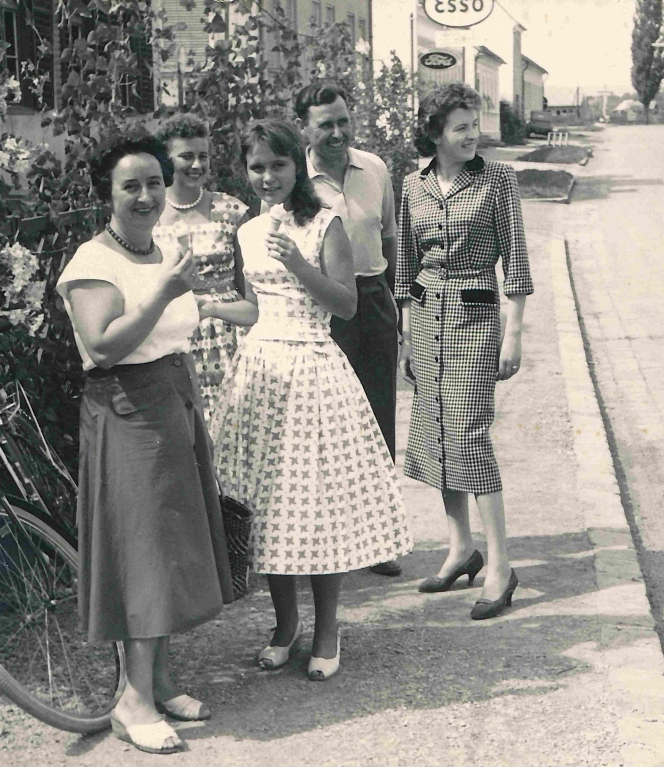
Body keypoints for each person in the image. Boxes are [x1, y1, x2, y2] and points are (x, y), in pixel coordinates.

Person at [207, 119, 412, 680]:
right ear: (245, 171)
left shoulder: (325, 223)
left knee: (316, 510)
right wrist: (209, 308)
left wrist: (299, 264)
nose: (268, 176)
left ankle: (326, 630)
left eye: (278, 165)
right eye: (257, 166)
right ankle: (283, 625)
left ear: (297, 165)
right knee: (268, 508)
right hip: (262, 372)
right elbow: (255, 308)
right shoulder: (248, 232)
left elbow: (345, 305)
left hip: (314, 370)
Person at [55, 133, 237, 754]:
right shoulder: (92, 263)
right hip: (127, 413)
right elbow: (103, 344)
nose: (145, 195)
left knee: (173, 546)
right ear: (105, 193)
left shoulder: (160, 252)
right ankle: (131, 703)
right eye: (130, 185)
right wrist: (166, 291)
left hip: (172, 404)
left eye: (154, 183)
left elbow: (176, 330)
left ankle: (157, 681)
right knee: (145, 553)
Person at [395, 83, 534, 621]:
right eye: (460, 126)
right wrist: (407, 333)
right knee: (435, 431)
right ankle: (461, 549)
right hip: (427, 321)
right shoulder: (413, 185)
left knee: (470, 433)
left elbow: (516, 262)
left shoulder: (498, 180)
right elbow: (406, 265)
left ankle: (499, 565)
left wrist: (514, 332)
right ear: (436, 133)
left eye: (474, 123)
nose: (472, 133)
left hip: (476, 318)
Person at [293, 81, 403, 578]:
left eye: (343, 121)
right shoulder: (295, 178)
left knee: (378, 417)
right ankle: (334, 542)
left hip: (373, 298)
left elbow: (389, 237)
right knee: (329, 424)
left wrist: (394, 304)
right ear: (304, 130)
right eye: (325, 125)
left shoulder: (375, 167)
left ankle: (380, 541)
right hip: (324, 309)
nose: (337, 133)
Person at [153, 114, 256, 419]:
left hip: (229, 338)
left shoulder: (231, 211)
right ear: (166, 159)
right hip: (172, 336)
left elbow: (253, 298)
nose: (196, 165)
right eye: (186, 156)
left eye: (203, 156)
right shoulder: (149, 216)